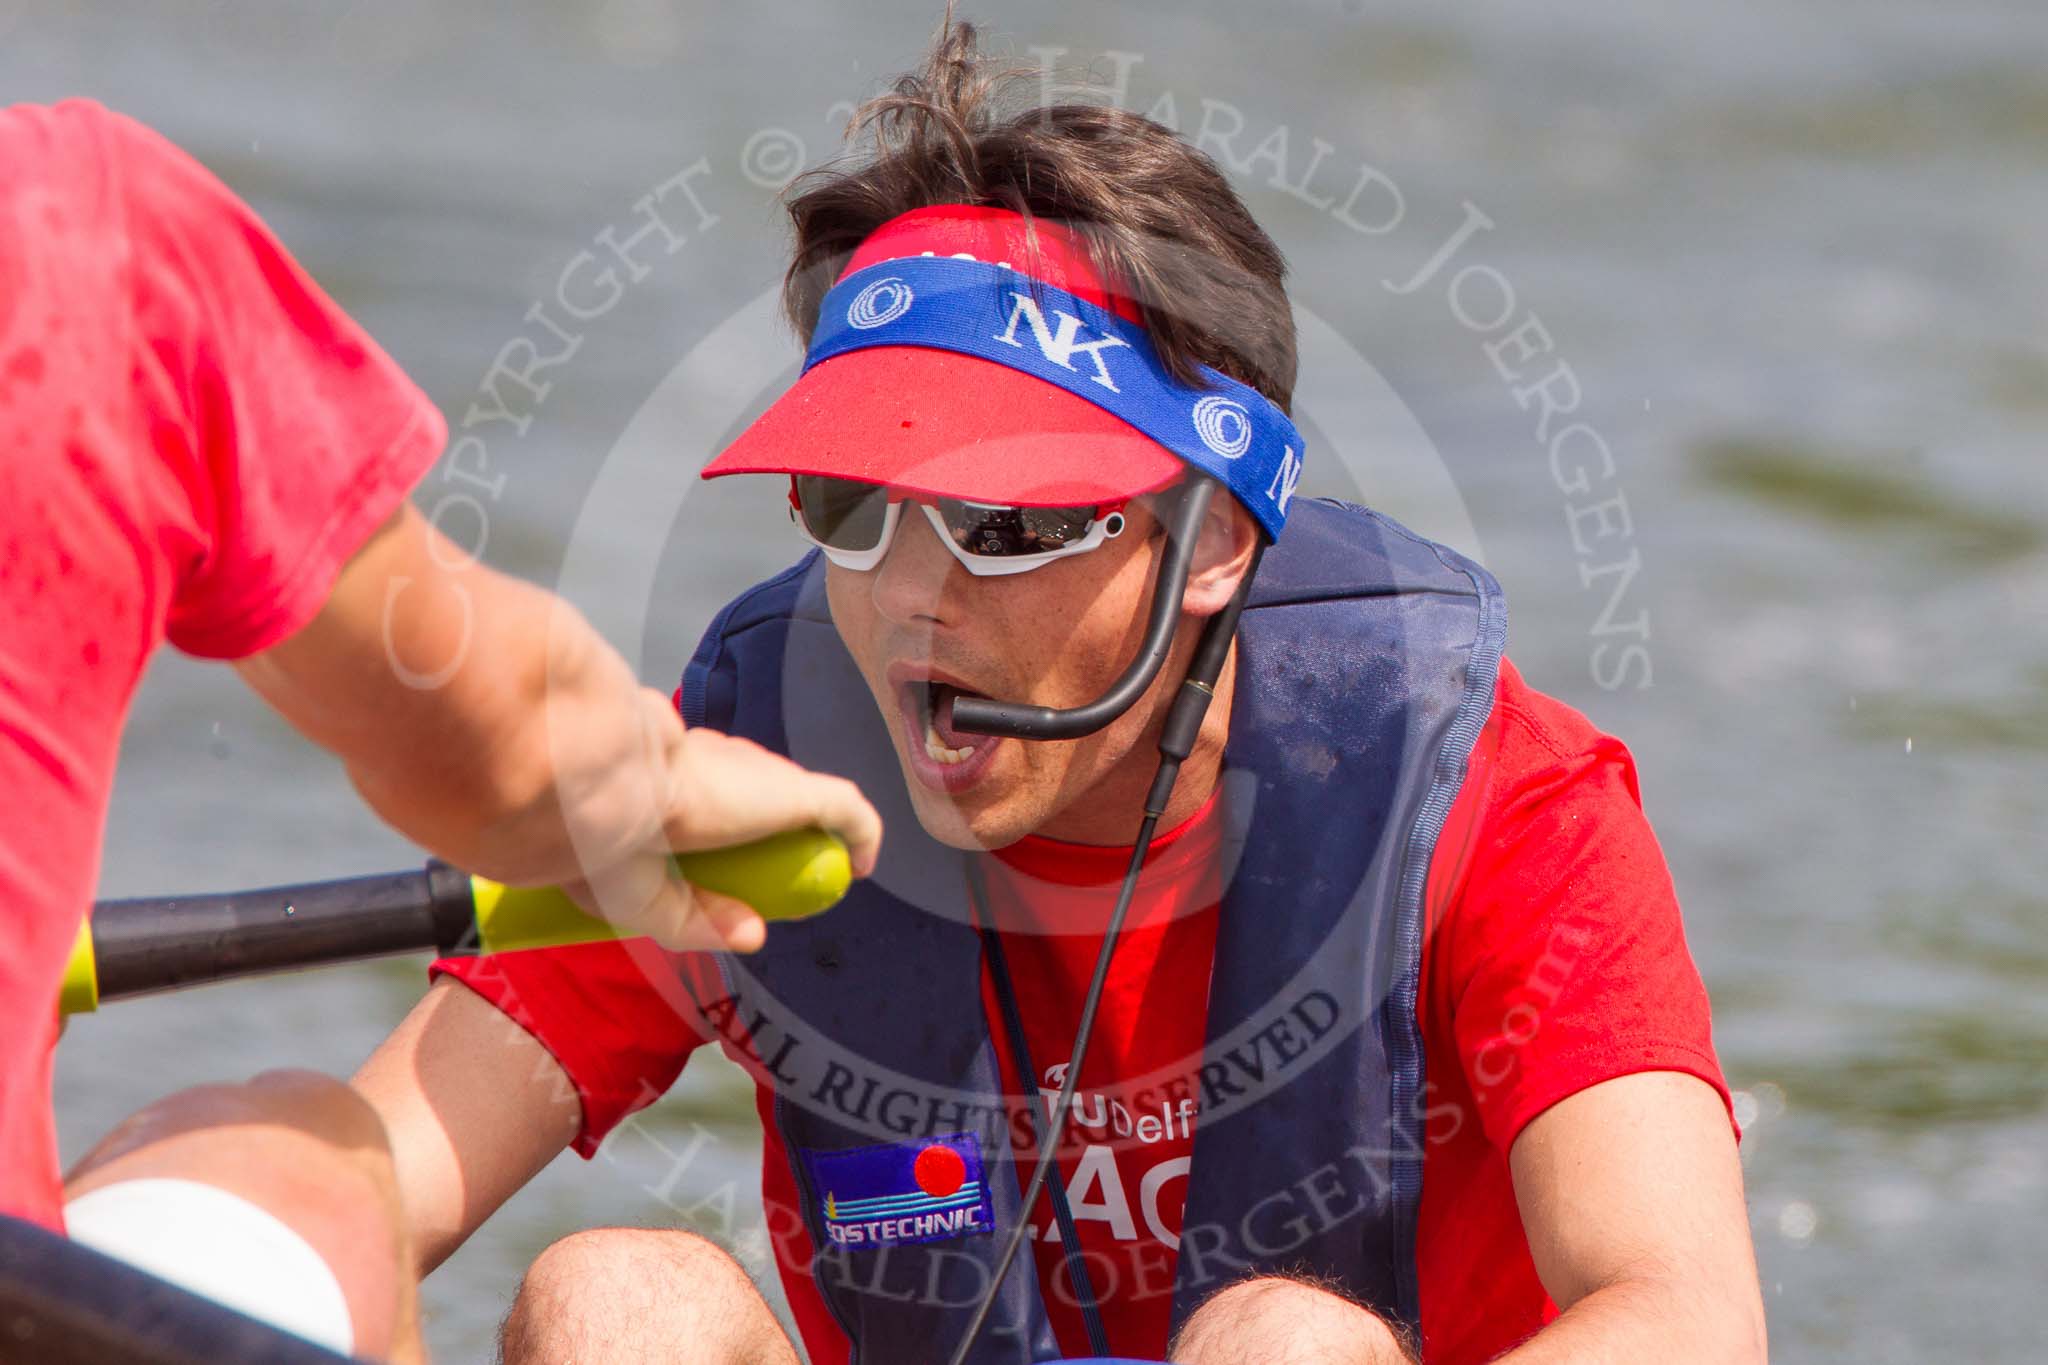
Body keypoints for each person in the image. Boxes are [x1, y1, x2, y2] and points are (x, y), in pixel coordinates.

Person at [353, 23, 1767, 1365]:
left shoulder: (1495, 799)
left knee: (1286, 1343)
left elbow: (1689, 1319)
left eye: (1009, 522)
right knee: (614, 1300)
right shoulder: (747, 774)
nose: (910, 594)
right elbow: (354, 1194)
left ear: (1210, 538)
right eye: (857, 504)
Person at [0, 100, 882, 1360]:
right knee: (319, 1164)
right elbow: (512, 757)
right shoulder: (82, 227)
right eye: (864, 514)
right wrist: (657, 786)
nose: (924, 595)